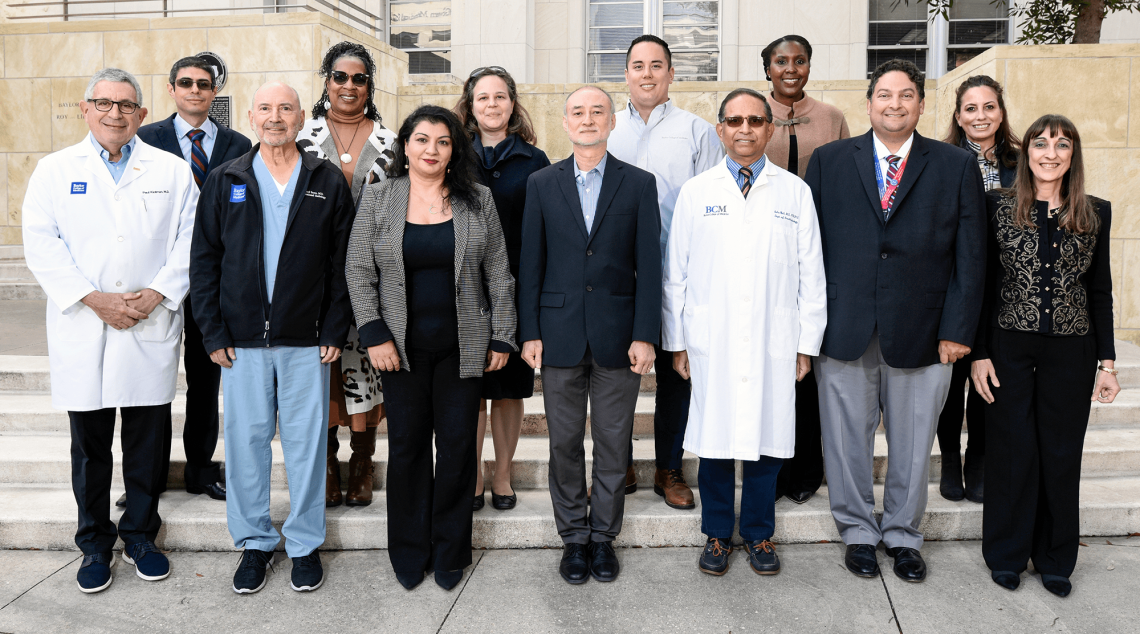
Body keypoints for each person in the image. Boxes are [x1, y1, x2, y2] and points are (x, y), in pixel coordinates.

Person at [804, 59, 986, 583]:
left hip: (925, 329)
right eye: (885, 95)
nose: (895, 104)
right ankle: (858, 531)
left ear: (922, 104)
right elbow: (808, 252)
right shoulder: (830, 160)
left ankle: (904, 535)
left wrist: (958, 330)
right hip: (844, 326)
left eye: (907, 95)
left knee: (913, 441)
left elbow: (970, 256)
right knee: (844, 439)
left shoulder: (954, 165)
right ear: (869, 103)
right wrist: (809, 327)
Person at [22, 68, 196, 593]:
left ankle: (141, 536)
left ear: (142, 114)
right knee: (91, 449)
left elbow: (191, 240)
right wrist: (93, 299)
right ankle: (95, 544)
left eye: (125, 105)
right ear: (85, 108)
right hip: (85, 324)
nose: (114, 113)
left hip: (150, 320)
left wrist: (158, 293)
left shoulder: (170, 169)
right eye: (104, 103)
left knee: (147, 444)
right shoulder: (54, 171)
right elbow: (41, 244)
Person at [190, 81, 354, 595]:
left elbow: (343, 262)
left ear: (302, 116)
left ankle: (304, 544)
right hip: (241, 343)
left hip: (307, 341)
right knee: (245, 444)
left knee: (306, 446)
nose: (276, 117)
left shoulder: (325, 178)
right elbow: (204, 261)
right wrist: (212, 331)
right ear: (251, 116)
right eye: (265, 108)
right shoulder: (226, 178)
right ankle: (255, 543)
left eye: (286, 108)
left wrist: (333, 327)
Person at [346, 105, 517, 591]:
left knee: (460, 448)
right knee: (406, 449)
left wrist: (503, 334)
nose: (431, 150)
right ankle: (408, 548)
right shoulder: (379, 198)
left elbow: (499, 275)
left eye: (443, 142)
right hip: (399, 351)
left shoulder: (477, 199)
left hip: (464, 348)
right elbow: (358, 269)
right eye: (422, 140)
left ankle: (450, 550)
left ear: (453, 151)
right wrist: (374, 332)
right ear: (405, 145)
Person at [663, 89, 827, 577]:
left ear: (769, 129)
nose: (745, 129)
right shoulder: (697, 192)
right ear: (720, 130)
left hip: (775, 337)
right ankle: (716, 533)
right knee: (714, 440)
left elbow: (811, 273)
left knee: (766, 438)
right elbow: (677, 274)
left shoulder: (794, 192)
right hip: (710, 336)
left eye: (756, 120)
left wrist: (805, 344)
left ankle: (757, 533)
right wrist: (677, 342)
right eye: (734, 121)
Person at [970, 114, 1118, 597]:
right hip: (1009, 347)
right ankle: (1007, 554)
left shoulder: (1095, 211)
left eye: (1061, 145)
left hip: (1073, 350)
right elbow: (984, 285)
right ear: (1027, 151)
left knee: (1059, 455)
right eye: (1041, 144)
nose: (1050, 153)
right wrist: (980, 353)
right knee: (1012, 453)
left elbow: (1100, 291)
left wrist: (1108, 363)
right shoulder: (997, 205)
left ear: (1073, 155)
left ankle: (1055, 558)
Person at [519, 86, 661, 585]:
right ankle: (573, 538)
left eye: (597, 111)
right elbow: (530, 263)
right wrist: (529, 331)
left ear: (612, 121)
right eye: (578, 112)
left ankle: (603, 538)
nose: (587, 119)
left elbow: (651, 265)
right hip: (556, 335)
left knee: (613, 441)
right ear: (564, 122)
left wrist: (646, 334)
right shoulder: (541, 182)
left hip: (619, 337)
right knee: (563, 443)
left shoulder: (640, 184)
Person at [608, 34, 724, 508]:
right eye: (638, 65)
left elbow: (713, 203)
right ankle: (622, 463)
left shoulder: (697, 132)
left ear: (672, 74)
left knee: (677, 372)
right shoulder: (606, 128)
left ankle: (668, 467)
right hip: (619, 274)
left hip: (680, 271)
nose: (648, 73)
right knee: (618, 374)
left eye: (657, 65)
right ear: (628, 74)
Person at [135, 55, 252, 506]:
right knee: (154, 382)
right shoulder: (146, 139)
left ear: (215, 91)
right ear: (171, 89)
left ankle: (202, 470)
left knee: (206, 379)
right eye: (186, 83)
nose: (195, 91)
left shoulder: (240, 144)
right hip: (160, 279)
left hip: (216, 281)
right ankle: (149, 474)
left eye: (204, 84)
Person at [299, 41, 398, 508]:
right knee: (321, 368)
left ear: (368, 86)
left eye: (359, 79)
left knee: (363, 366)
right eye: (340, 76)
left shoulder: (392, 141)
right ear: (326, 81)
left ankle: (361, 463)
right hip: (312, 277)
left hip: (372, 274)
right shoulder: (300, 136)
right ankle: (325, 464)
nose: (349, 86)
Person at [453, 65, 550, 512]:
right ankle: (472, 474)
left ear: (513, 103)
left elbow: (543, 232)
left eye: (500, 97)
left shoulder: (535, 162)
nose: (492, 104)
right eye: (483, 98)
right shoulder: (453, 155)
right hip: (462, 291)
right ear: (470, 108)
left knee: (510, 389)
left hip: (514, 289)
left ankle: (504, 474)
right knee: (470, 390)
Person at [759, 34, 850, 506]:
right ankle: (770, 472)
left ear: (809, 67)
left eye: (799, 61)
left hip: (821, 250)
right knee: (773, 366)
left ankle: (806, 470)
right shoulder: (752, 115)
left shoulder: (832, 117)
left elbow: (851, 181)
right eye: (781, 61)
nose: (790, 68)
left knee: (806, 365)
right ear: (768, 69)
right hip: (768, 256)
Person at [935, 74, 1021, 503]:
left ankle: (979, 460)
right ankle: (950, 460)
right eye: (971, 108)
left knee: (991, 379)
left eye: (989, 107)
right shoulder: (941, 160)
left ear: (1001, 112)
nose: (980, 116)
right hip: (955, 283)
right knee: (951, 382)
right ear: (958, 116)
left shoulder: (1024, 162)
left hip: (1007, 287)